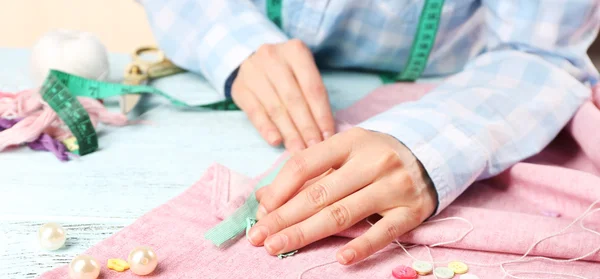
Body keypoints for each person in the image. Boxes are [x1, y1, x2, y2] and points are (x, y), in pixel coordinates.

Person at [142, 1, 599, 265]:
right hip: (227, 74)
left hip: (462, 90)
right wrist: (227, 38)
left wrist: (425, 146)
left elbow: (539, 51)